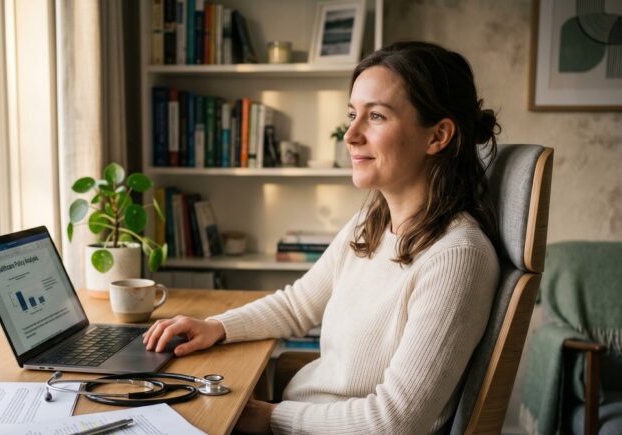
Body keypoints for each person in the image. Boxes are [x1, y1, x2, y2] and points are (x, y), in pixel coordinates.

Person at [143, 41, 501, 434]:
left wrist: (266, 417)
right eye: (352, 115)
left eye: (376, 116)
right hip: (299, 414)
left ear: (438, 136)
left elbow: (393, 423)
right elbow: (298, 305)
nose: (350, 135)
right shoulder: (373, 220)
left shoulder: (457, 257)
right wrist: (216, 326)